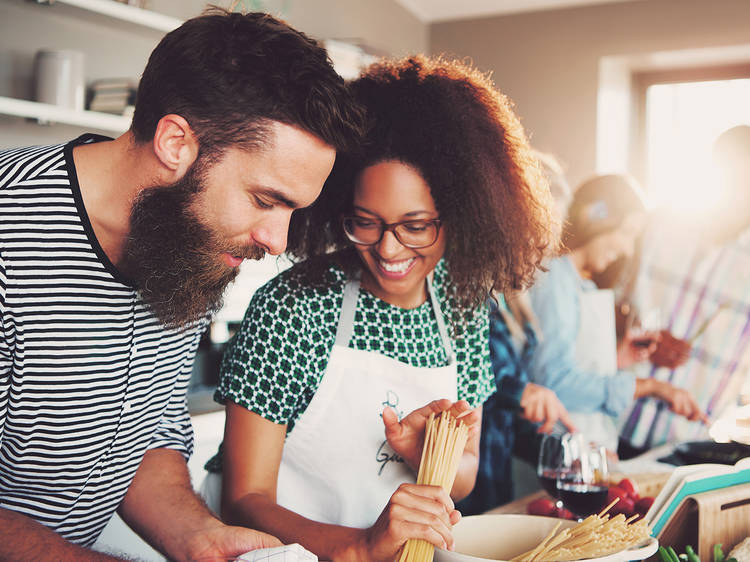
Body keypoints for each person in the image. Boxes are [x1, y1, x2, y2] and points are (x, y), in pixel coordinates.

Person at [0, 9, 363, 561]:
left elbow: (145, 442)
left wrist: (198, 538)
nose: (276, 241)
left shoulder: (186, 245)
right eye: (267, 200)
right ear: (175, 142)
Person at [201, 55, 556, 560]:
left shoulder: (462, 307)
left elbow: (466, 471)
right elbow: (243, 500)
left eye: (415, 226)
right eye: (366, 222)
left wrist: (421, 455)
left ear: (461, 216)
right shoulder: (292, 309)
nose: (388, 250)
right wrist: (361, 547)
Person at [527, 174, 706, 453]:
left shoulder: (580, 282)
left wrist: (618, 360)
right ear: (596, 219)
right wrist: (652, 387)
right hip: (553, 451)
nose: (627, 248)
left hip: (583, 447)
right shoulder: (554, 279)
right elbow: (556, 383)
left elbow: (574, 364)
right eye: (627, 233)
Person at [619, 124, 750, 453]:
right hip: (608, 424)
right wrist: (642, 336)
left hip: (689, 447)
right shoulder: (657, 225)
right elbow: (600, 299)